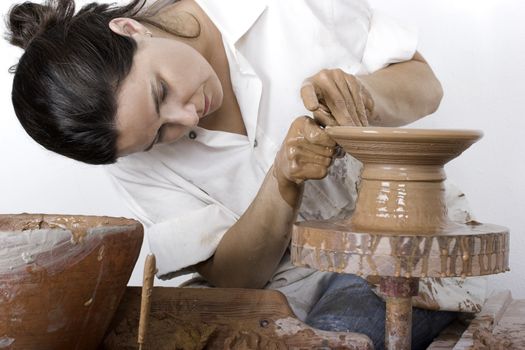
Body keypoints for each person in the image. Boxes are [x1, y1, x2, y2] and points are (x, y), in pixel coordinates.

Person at [6, 0, 486, 348]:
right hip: (275, 288)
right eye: (160, 133)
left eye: (161, 92)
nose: (187, 117)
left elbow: (427, 87)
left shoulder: (272, 9)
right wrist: (282, 183)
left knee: (334, 336)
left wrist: (361, 95)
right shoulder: (134, 160)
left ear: (132, 28)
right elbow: (234, 277)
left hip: (392, 247)